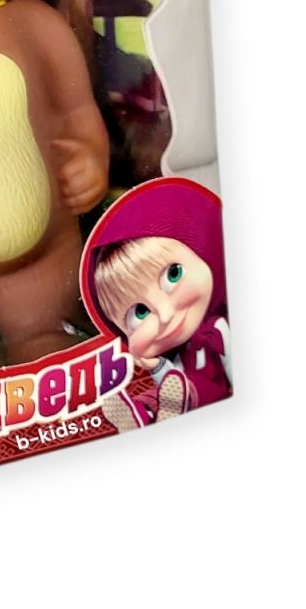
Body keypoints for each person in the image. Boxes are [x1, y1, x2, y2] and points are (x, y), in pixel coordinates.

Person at [80, 177, 231, 428]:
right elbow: (170, 381)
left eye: (173, 275)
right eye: (140, 312)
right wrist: (156, 365)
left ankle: (168, 406)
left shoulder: (218, 330)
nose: (165, 315)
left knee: (187, 390)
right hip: (181, 397)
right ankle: (140, 413)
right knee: (162, 394)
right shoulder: (178, 355)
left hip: (210, 395)